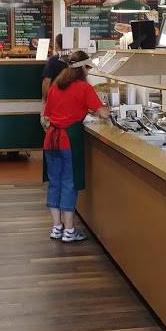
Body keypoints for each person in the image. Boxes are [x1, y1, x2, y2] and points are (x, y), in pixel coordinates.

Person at [42, 50, 109, 243]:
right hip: (68, 140)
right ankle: (69, 230)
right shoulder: (84, 88)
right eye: (87, 68)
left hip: (51, 140)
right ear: (82, 69)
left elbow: (48, 114)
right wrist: (104, 109)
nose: (88, 71)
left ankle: (57, 227)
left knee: (54, 182)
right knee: (69, 184)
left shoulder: (56, 86)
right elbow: (103, 113)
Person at [41, 33, 66, 100]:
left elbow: (47, 81)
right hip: (72, 98)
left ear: (57, 45)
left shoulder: (53, 60)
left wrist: (45, 99)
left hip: (55, 97)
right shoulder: (74, 59)